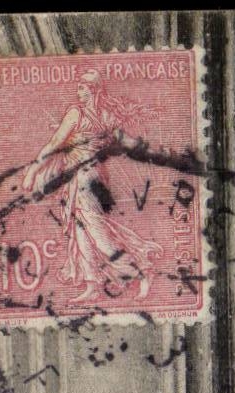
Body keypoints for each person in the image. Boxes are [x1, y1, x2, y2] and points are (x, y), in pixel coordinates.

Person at [21, 69, 162, 305]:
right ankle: (92, 284)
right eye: (78, 88)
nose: (79, 92)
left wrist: (32, 171)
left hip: (86, 180)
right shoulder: (105, 116)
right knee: (82, 232)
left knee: (97, 233)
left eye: (83, 88)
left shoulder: (77, 114)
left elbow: (56, 143)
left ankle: (140, 271)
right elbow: (127, 142)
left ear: (94, 90)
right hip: (87, 179)